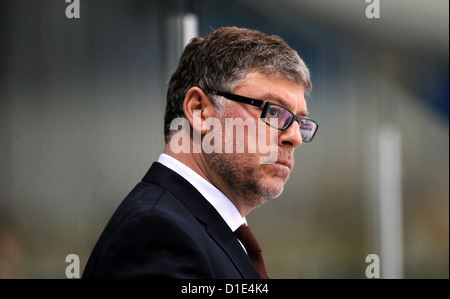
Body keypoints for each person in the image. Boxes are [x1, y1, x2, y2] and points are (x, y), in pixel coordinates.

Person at [82, 27, 318, 279]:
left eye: (299, 122)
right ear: (199, 111)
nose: (294, 137)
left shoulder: (198, 227)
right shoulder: (158, 233)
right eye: (273, 112)